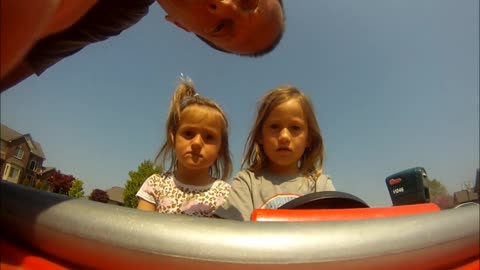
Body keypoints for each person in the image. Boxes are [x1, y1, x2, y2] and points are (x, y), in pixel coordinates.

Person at [0, 0, 285, 92]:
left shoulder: (118, 12)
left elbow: (17, 65)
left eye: (221, 27)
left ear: (180, 25)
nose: (223, 4)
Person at [214, 85, 335, 221]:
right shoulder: (247, 183)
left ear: (309, 138)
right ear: (260, 135)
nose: (284, 136)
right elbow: (234, 234)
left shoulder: (321, 186)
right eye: (274, 126)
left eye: (295, 128)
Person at [136, 76, 232, 217]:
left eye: (209, 137)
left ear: (220, 149)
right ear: (173, 138)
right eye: (188, 133)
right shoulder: (155, 185)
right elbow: (139, 230)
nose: (197, 143)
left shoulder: (226, 195)